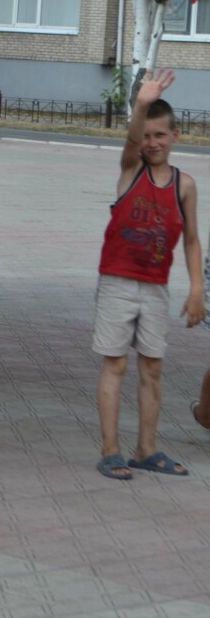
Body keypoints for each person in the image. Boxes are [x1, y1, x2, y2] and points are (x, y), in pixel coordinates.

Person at [93, 69, 202, 479]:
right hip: (117, 283)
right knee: (116, 364)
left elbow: (192, 240)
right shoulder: (130, 170)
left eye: (161, 135)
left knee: (152, 368)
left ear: (176, 136)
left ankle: (146, 449)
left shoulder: (184, 185)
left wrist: (196, 290)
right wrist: (141, 103)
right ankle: (110, 451)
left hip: (155, 288)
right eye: (147, 135)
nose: (152, 142)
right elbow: (130, 140)